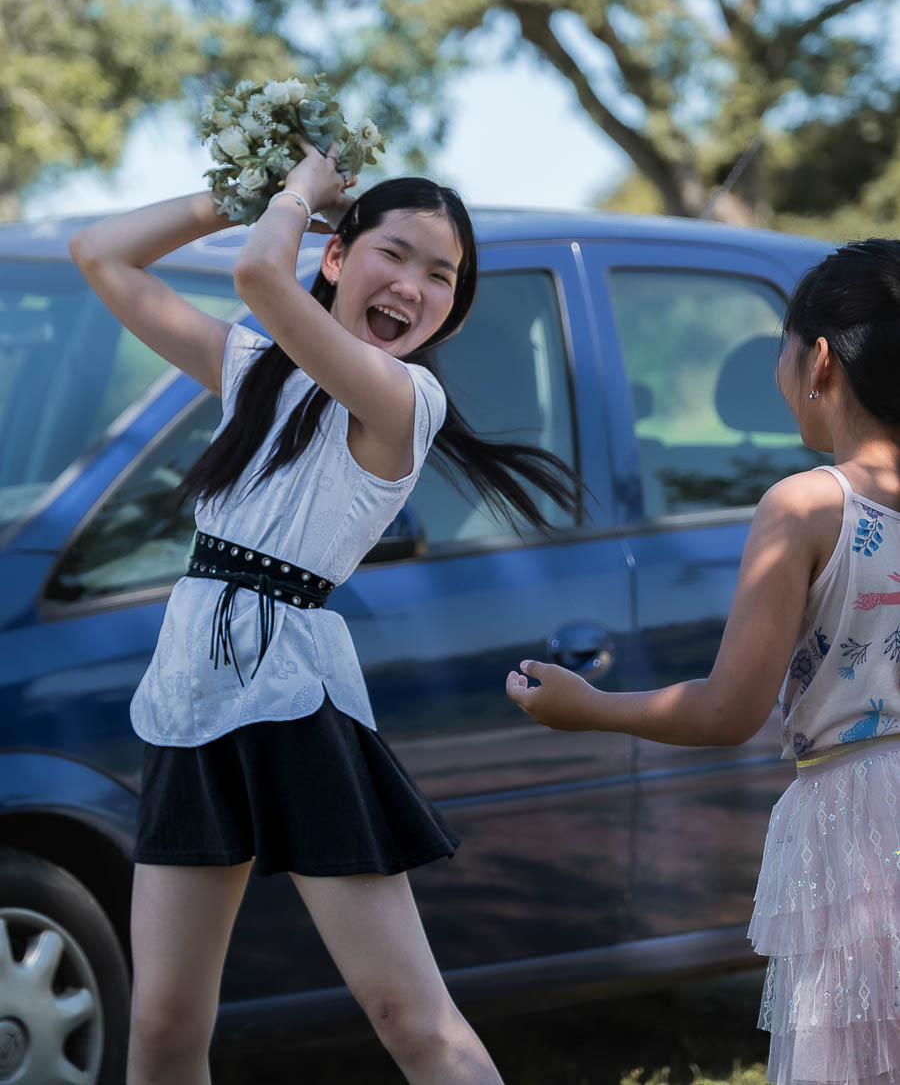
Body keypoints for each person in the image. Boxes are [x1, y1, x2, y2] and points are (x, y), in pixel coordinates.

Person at [70, 142, 579, 1085]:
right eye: (395, 254)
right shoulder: (254, 367)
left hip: (295, 699)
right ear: (340, 258)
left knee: (412, 1021)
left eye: (442, 276)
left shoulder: (405, 399)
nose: (414, 287)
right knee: (164, 1022)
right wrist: (248, 188)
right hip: (192, 694)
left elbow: (263, 271)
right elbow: (101, 252)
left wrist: (299, 195)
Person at [507, 238, 900, 1085]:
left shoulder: (807, 506)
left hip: (862, 817)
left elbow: (728, 711)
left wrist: (591, 708)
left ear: (819, 361)